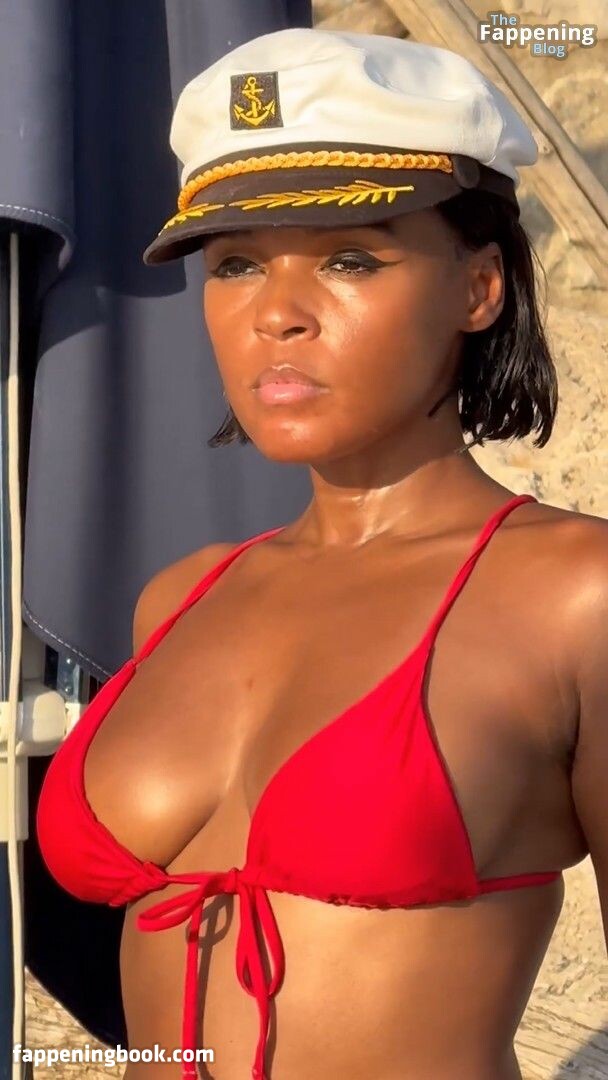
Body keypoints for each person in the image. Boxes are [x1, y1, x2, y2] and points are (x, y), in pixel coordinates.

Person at [35, 26, 608, 1080]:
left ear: (478, 288)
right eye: (236, 264)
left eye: (349, 258)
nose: (277, 316)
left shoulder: (577, 595)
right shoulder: (181, 596)